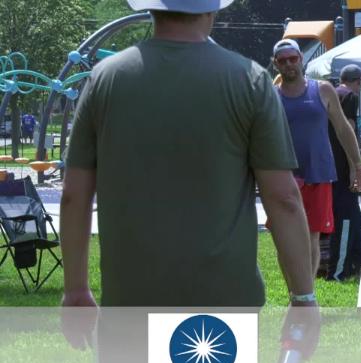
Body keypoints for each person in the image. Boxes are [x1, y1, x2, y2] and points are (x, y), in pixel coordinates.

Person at [61, 0, 317, 308]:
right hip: (223, 298)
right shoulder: (250, 79)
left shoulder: (104, 78)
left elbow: (73, 195)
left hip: (131, 295)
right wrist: (303, 297)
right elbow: (283, 198)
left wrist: (75, 289)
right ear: (212, 9)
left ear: (150, 7)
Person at [273, 38, 361, 277]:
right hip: (283, 175)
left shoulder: (322, 89)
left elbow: (343, 128)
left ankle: (306, 290)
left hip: (318, 174)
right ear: (276, 64)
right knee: (285, 237)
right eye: (283, 61)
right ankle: (294, 288)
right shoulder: (271, 95)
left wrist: (357, 165)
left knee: (312, 235)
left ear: (301, 59)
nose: (288, 64)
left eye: (293, 59)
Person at [326, 64, 361, 280]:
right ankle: (337, 271)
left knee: (354, 217)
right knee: (345, 220)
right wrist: (355, 167)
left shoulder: (332, 94)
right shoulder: (349, 96)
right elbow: (348, 132)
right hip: (343, 169)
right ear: (358, 81)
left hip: (329, 167)